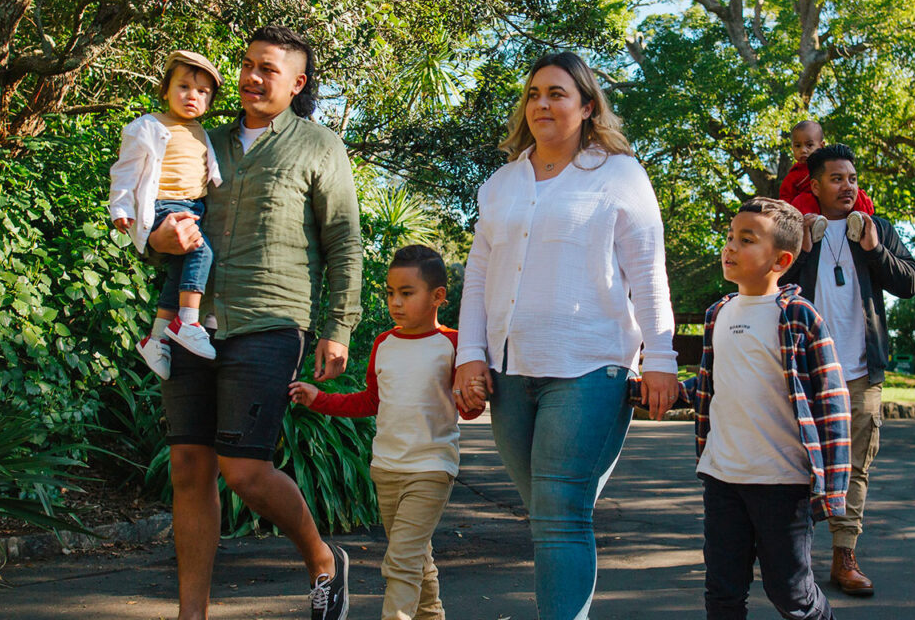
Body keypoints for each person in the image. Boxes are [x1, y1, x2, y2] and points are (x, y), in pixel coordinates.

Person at [452, 51, 679, 620]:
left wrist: (662, 358)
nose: (542, 104)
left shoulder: (619, 173)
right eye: (533, 94)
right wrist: (469, 355)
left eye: (556, 93)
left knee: (558, 513)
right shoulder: (502, 184)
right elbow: (478, 274)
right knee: (551, 513)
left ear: (586, 105)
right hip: (509, 370)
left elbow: (648, 270)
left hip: (590, 366)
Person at [146, 26, 363, 620]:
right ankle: (193, 613)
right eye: (246, 65)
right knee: (189, 468)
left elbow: (343, 240)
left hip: (270, 317)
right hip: (193, 319)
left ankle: (321, 558)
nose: (251, 76)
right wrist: (155, 238)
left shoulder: (320, 147)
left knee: (244, 470)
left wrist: (337, 327)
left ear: (297, 83)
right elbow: (160, 212)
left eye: (268, 69)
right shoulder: (198, 140)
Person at [637, 198, 851, 619]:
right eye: (730, 237)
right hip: (723, 477)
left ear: (781, 259)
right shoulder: (719, 313)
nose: (730, 247)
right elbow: (715, 383)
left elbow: (832, 403)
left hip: (782, 483)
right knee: (722, 593)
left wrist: (834, 490)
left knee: (791, 594)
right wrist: (661, 391)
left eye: (746, 240)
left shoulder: (798, 317)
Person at [290, 244, 483, 620]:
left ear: (437, 297)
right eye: (390, 292)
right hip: (387, 469)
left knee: (401, 561)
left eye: (406, 293)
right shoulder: (384, 343)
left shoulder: (454, 343)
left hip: (431, 468)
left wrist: (474, 397)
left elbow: (467, 408)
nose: (395, 302)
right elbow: (369, 402)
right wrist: (318, 400)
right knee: (416, 556)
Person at [782, 144, 915, 597]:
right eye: (837, 178)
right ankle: (792, 557)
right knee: (795, 464)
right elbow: (771, 288)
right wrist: (801, 249)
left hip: (862, 371)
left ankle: (844, 556)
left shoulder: (876, 229)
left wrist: (876, 250)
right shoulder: (798, 230)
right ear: (815, 184)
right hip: (807, 371)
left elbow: (910, 283)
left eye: (853, 178)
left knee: (856, 467)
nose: (848, 186)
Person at [109, 50, 224, 379]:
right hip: (165, 205)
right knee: (202, 252)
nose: (193, 96)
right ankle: (188, 321)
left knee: (179, 271)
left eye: (203, 92)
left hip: (193, 206)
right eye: (184, 87)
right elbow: (125, 171)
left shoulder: (200, 132)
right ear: (165, 90)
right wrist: (120, 208)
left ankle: (156, 337)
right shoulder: (148, 126)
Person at [779, 120, 875, 244]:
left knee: (858, 195)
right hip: (810, 210)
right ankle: (813, 227)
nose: (803, 150)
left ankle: (859, 222)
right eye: (798, 146)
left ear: (821, 145)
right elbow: (785, 197)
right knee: (801, 200)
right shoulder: (794, 175)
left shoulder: (831, 165)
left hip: (836, 205)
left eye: (809, 145)